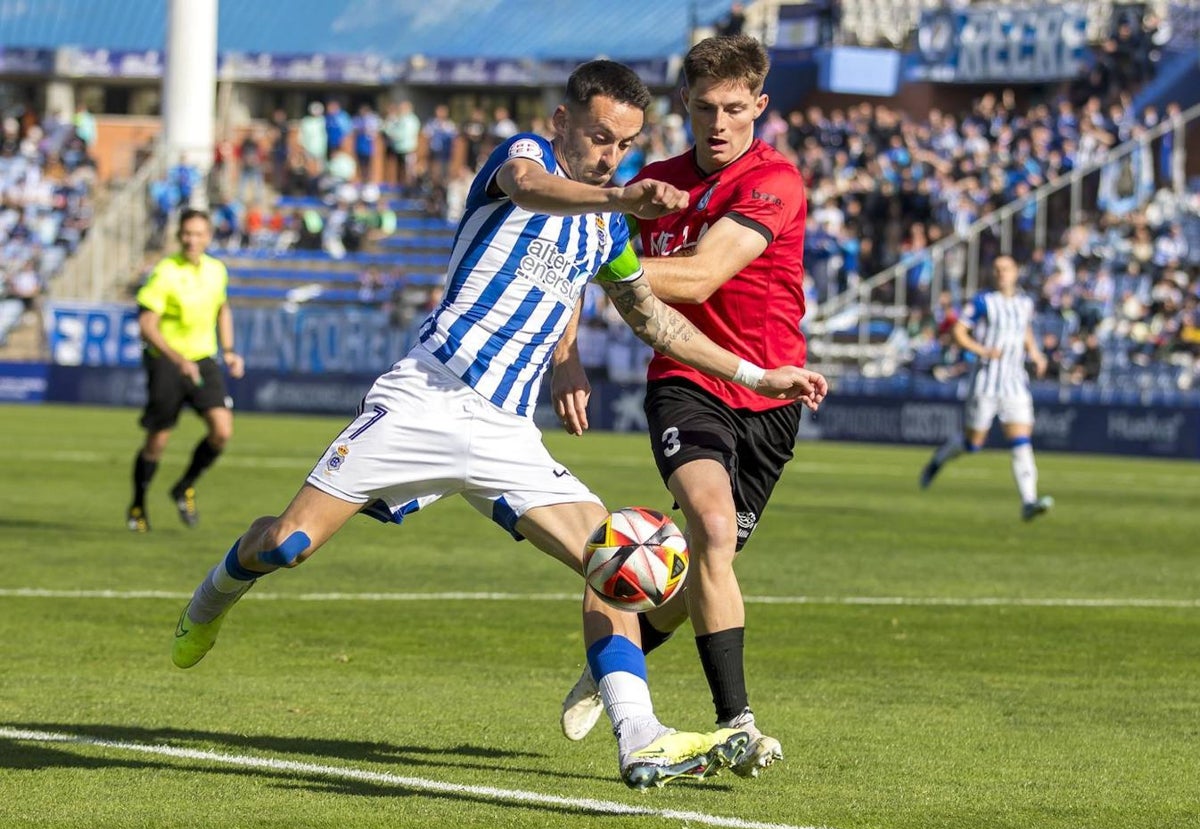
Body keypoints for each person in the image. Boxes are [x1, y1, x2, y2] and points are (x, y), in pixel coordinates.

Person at [168, 60, 827, 790]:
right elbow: (529, 190)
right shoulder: (523, 158)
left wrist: (757, 375)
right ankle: (213, 596)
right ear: (562, 122)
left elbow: (656, 321)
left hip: (507, 431)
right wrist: (615, 194)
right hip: (424, 397)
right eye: (600, 136)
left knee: (613, 560)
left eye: (625, 145)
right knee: (289, 545)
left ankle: (641, 737)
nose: (610, 154)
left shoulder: (608, 227)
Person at [554, 35, 812, 779]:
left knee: (707, 559)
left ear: (759, 106)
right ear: (686, 108)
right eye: (705, 109)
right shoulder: (653, 184)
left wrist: (610, 269)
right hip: (687, 381)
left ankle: (617, 655)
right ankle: (739, 724)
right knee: (709, 522)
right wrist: (566, 352)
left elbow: (698, 278)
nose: (720, 123)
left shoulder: (774, 182)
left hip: (765, 394)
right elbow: (575, 255)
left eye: (735, 109)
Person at [128, 209, 245, 532]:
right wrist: (177, 358)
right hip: (166, 360)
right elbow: (146, 325)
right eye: (187, 234)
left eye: (199, 234)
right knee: (158, 441)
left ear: (209, 237)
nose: (193, 240)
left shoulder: (216, 271)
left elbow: (223, 309)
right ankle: (138, 504)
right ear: (179, 236)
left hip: (203, 359)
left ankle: (184, 486)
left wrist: (230, 351)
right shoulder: (165, 272)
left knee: (222, 431)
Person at [919, 254, 1054, 520]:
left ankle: (1028, 501)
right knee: (973, 443)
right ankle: (938, 460)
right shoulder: (983, 302)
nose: (1001, 273)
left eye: (1006, 268)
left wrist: (1036, 354)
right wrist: (982, 350)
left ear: (1016, 272)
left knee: (1021, 441)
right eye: (997, 268)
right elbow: (959, 331)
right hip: (986, 381)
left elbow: (1023, 330)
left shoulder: (1025, 303)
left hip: (1015, 383)